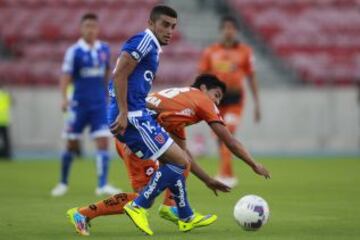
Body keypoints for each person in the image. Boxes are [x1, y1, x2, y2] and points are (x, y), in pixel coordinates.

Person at [66, 74, 270, 236]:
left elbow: (184, 157)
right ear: (203, 89)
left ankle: (179, 212)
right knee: (142, 196)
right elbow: (229, 140)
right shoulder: (200, 100)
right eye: (216, 95)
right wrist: (253, 164)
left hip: (135, 133)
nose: (216, 102)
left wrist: (208, 180)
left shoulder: (181, 108)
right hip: (134, 136)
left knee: (178, 163)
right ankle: (82, 214)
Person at [51, 13, 121, 197]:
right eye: (87, 25)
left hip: (99, 104)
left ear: (98, 29)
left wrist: (108, 93)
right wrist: (64, 98)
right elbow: (65, 76)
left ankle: (102, 184)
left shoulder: (104, 49)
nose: (90, 29)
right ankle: (63, 182)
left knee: (103, 142)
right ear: (81, 28)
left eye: (93, 26)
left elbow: (107, 71)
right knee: (71, 144)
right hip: (78, 104)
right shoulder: (74, 51)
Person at [198, 16, 261, 187]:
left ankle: (225, 175)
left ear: (237, 31)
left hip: (235, 100)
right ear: (221, 30)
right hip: (215, 101)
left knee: (228, 134)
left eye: (232, 27)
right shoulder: (210, 52)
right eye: (225, 27)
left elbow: (251, 77)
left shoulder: (245, 52)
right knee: (220, 138)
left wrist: (257, 104)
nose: (228, 30)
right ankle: (229, 174)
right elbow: (201, 77)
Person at [0, 84, 12, 159]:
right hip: (5, 121)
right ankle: (7, 155)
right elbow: (12, 102)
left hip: (3, 121)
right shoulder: (5, 95)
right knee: (6, 140)